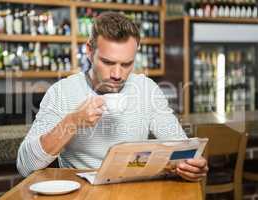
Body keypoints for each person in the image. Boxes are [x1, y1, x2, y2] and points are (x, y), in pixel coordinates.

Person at [17, 12, 208, 181]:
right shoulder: (62, 92)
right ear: (90, 52)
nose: (117, 74)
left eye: (126, 64)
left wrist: (192, 166)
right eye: (108, 62)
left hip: (132, 190)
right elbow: (25, 165)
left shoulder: (146, 89)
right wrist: (73, 121)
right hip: (83, 193)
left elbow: (181, 147)